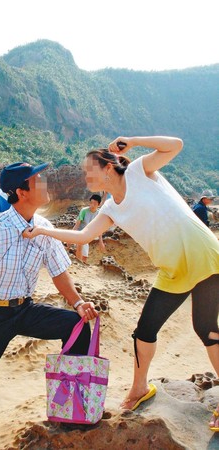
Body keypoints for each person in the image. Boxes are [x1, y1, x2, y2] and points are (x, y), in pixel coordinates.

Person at [23, 136, 219, 431]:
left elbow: (176, 144)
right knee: (144, 330)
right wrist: (41, 230)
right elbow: (83, 237)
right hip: (172, 269)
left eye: (89, 169)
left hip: (202, 254)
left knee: (206, 328)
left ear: (107, 167)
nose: (85, 176)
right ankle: (140, 388)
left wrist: (134, 142)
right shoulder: (109, 208)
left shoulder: (141, 171)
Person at [0, 161, 98, 449]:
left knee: (75, 325)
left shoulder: (44, 228)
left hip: (24, 310)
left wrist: (77, 302)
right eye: (38, 180)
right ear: (21, 191)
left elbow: (58, 272)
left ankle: (71, 410)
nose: (45, 183)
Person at [73, 194, 105, 263]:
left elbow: (99, 228)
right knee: (80, 248)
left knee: (85, 257)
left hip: (88, 235)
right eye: (91, 203)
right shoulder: (84, 211)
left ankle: (81, 266)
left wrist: (101, 241)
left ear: (98, 205)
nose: (92, 205)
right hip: (80, 233)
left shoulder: (99, 213)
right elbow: (77, 224)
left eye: (95, 203)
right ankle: (78, 264)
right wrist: (71, 235)